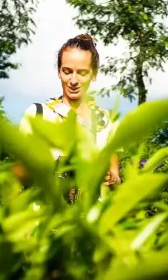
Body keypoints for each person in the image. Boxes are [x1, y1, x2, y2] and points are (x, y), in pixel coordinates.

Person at [16, 34, 121, 198]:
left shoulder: (106, 122)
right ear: (59, 72)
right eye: (67, 71)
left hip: (91, 220)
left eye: (82, 73)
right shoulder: (37, 115)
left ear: (94, 74)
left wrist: (109, 178)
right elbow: (19, 177)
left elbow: (116, 179)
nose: (73, 80)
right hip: (45, 217)